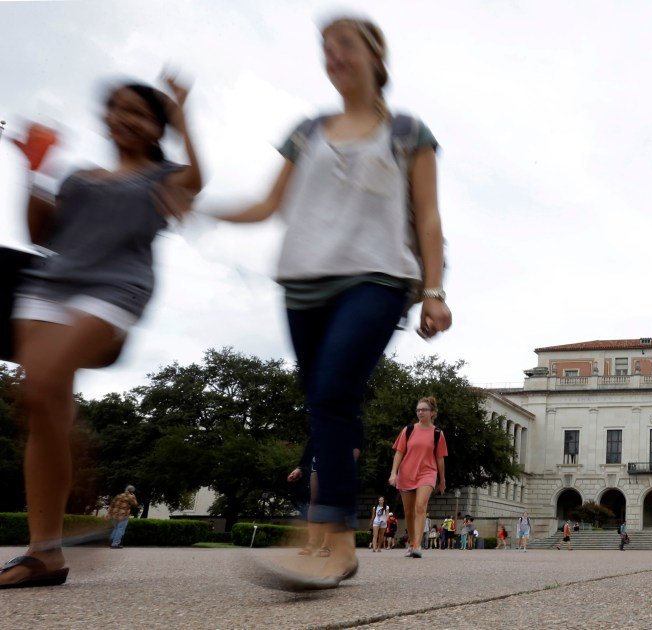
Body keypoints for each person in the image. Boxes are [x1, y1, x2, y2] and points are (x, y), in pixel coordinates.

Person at [214, 16, 450, 589]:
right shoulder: (307, 131)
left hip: (377, 277)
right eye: (326, 47)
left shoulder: (407, 132)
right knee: (325, 404)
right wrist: (198, 203)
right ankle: (330, 539)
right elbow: (268, 204)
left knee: (335, 391)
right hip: (304, 281)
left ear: (376, 56)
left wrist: (434, 290)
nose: (334, 55)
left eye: (345, 44)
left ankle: (333, 541)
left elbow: (428, 216)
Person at [0, 76, 202, 590]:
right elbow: (41, 233)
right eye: (117, 108)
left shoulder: (161, 176)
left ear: (157, 126)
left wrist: (183, 115)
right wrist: (34, 168)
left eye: (139, 112)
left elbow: (197, 179)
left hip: (113, 289)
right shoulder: (80, 177)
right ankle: (44, 553)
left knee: (42, 386)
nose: (125, 118)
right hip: (48, 285)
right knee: (42, 404)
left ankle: (85, 491)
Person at [388, 398, 449, 559]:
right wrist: (393, 473)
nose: (420, 412)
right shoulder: (408, 430)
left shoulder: (437, 433)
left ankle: (417, 544)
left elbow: (440, 458)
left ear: (432, 413)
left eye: (424, 409)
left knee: (420, 506)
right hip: (407, 473)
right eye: (418, 410)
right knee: (409, 512)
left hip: (428, 473)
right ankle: (411, 543)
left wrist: (442, 480)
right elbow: (399, 453)